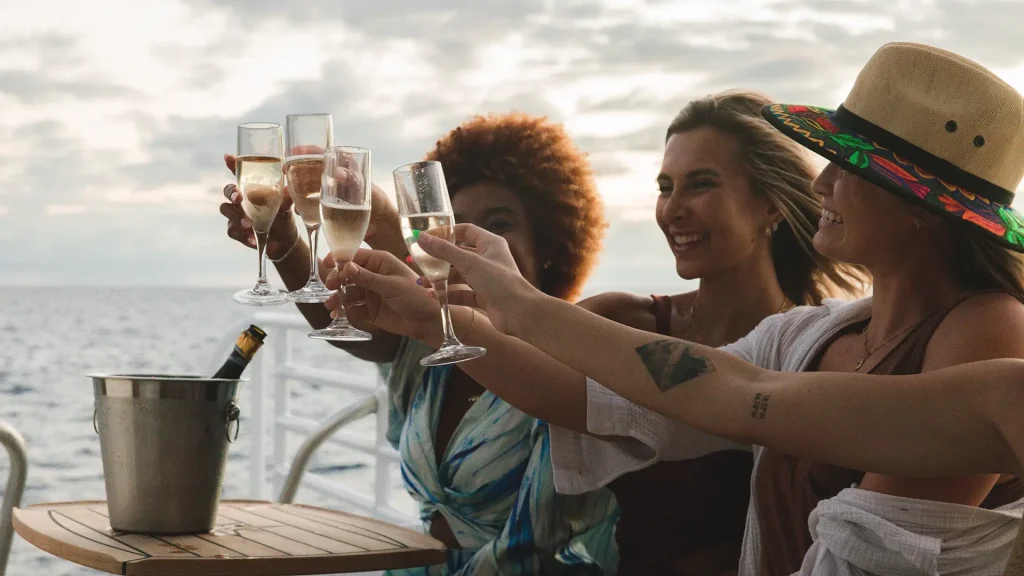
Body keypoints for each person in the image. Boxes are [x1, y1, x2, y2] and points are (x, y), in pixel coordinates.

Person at [334, 41, 1024, 575]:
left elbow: (873, 556)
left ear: (919, 206)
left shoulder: (987, 330)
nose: (822, 185)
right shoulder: (810, 334)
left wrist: (515, 303)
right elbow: (617, 396)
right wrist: (435, 319)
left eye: (848, 167)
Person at [329, 89, 866, 575]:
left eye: (701, 184)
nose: (673, 209)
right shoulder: (621, 321)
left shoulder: (810, 348)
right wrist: (426, 313)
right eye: (665, 187)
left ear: (770, 202)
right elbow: (548, 389)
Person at [221, 113, 619, 575]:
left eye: (500, 223)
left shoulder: (574, 351)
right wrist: (285, 239)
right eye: (457, 225)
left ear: (548, 244)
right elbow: (352, 325)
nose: (473, 242)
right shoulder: (436, 346)